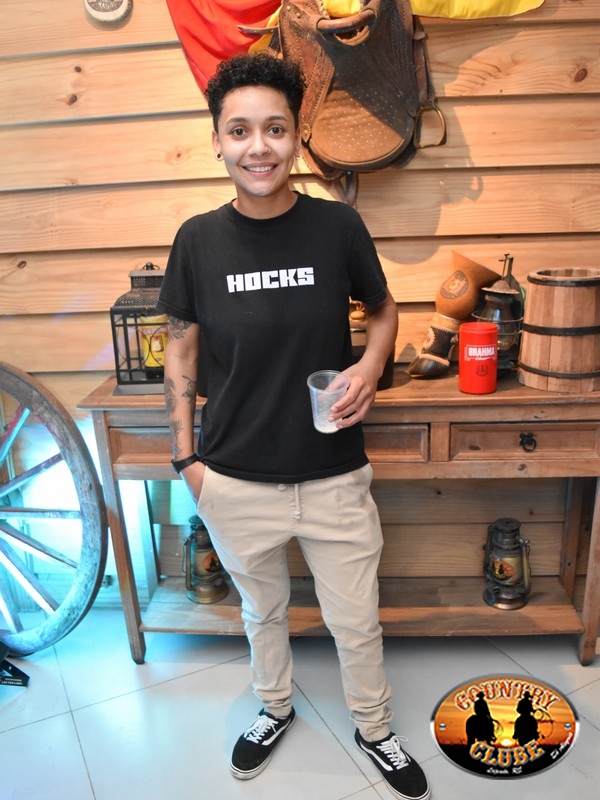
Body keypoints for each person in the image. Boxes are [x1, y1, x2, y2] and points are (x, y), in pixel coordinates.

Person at [156, 51, 430, 800]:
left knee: (356, 620)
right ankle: (274, 708)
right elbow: (180, 348)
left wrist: (370, 366)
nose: (259, 147)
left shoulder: (337, 227)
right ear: (218, 140)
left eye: (275, 129)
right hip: (234, 476)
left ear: (296, 135)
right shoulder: (197, 240)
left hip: (334, 472)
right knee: (262, 611)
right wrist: (186, 461)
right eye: (240, 130)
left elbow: (383, 312)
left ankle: (374, 727)